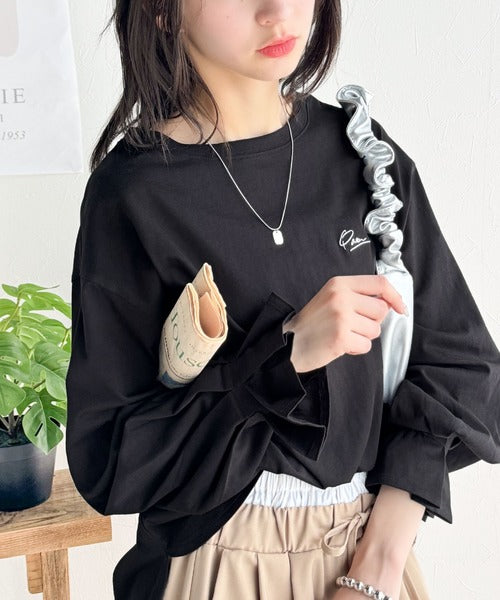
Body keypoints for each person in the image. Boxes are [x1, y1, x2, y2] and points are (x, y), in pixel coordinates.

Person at [65, 1, 500, 599]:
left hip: (372, 558)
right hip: (214, 565)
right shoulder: (135, 195)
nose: (278, 12)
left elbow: (461, 370)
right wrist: (282, 356)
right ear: (162, 11)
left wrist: (376, 567)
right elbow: (114, 461)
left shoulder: (362, 154)